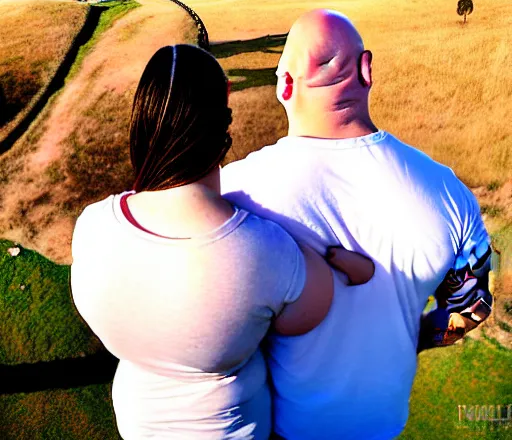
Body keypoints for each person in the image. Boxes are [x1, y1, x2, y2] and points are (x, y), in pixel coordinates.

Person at [70, 44, 374, 439]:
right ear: (224, 112)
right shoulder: (263, 248)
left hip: (137, 423)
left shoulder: (92, 226)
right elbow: (310, 312)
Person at [221, 9, 494, 440]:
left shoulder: (232, 192)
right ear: (367, 70)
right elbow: (472, 308)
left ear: (284, 85)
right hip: (385, 427)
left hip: (284, 429)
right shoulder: (449, 191)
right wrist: (411, 337)